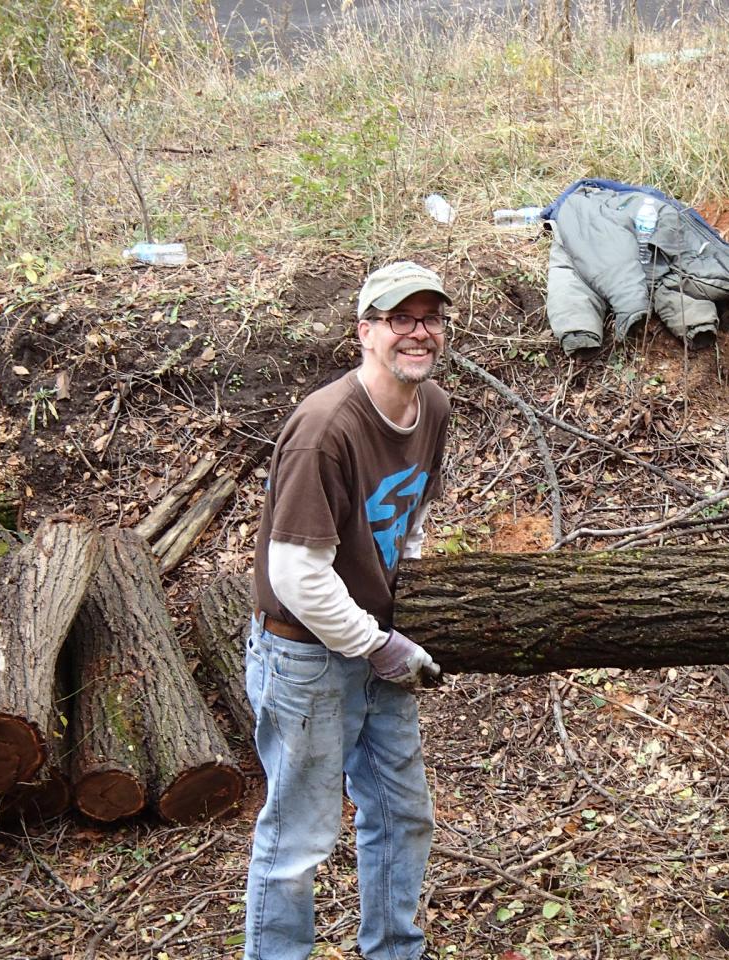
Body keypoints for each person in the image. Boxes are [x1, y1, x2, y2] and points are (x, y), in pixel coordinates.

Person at [244, 260, 452, 960]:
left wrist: (407, 589)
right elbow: (296, 573)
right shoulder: (325, 427)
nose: (418, 334)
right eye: (401, 319)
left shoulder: (436, 409)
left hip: (374, 641)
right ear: (366, 332)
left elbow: (412, 510)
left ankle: (395, 951)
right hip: (304, 654)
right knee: (298, 840)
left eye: (430, 318)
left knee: (401, 815)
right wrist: (380, 646)